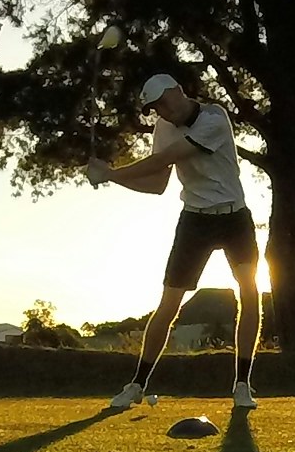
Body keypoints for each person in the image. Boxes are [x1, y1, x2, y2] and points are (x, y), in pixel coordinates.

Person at [87, 72, 261, 411]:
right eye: (155, 109)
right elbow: (156, 184)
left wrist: (109, 173)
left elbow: (162, 160)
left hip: (234, 217)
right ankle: (137, 384)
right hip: (194, 220)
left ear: (179, 91)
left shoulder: (214, 117)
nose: (162, 112)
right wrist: (113, 180)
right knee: (168, 305)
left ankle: (242, 385)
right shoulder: (163, 129)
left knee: (249, 292)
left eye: (164, 103)